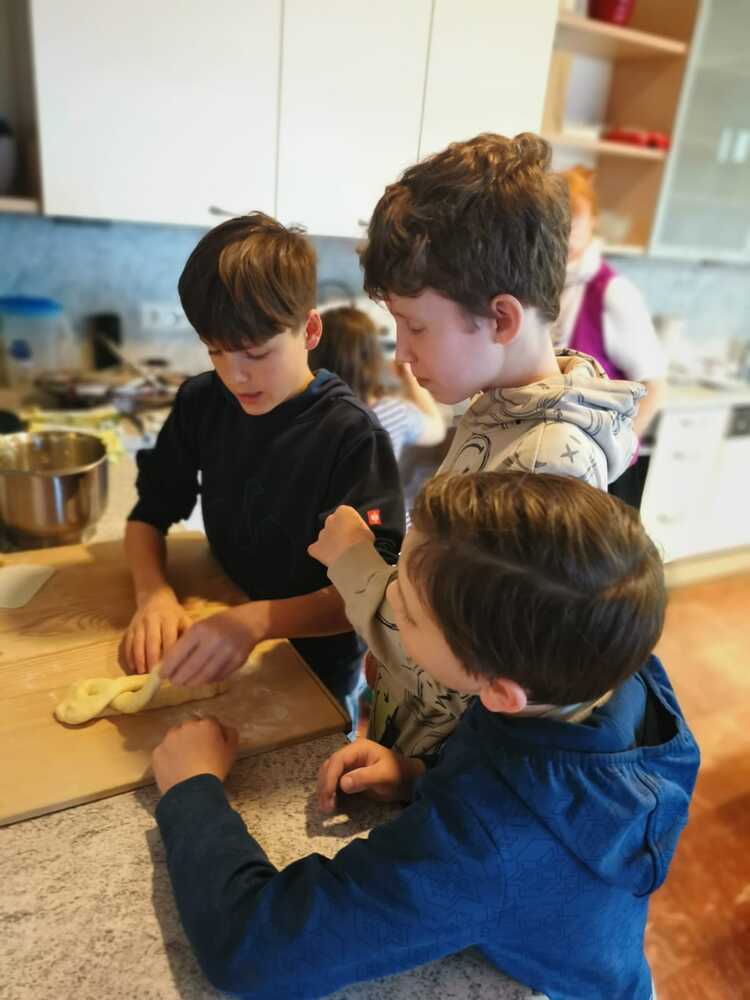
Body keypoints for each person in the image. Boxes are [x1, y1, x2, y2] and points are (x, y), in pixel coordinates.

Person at [152, 471, 699, 1000]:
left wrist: (192, 790)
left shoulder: (481, 844)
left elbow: (252, 950)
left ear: (499, 693)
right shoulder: (604, 677)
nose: (389, 598)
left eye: (407, 612)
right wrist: (419, 774)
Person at [347, 131, 645, 756]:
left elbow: (470, 671)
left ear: (503, 319)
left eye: (415, 326)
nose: (402, 354)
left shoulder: (546, 462)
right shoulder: (501, 402)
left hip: (449, 779)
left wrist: (355, 566)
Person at [121, 212, 405, 726]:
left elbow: (373, 592)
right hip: (224, 609)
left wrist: (256, 622)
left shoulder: (351, 436)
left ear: (310, 330)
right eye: (216, 352)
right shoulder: (201, 401)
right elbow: (149, 513)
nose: (236, 376)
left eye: (255, 353)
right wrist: (153, 594)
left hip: (315, 664)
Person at [553, 165, 667, 507]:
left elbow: (654, 385)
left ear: (593, 222)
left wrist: (617, 453)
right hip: (557, 462)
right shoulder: (545, 284)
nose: (565, 232)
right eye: (556, 221)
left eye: (574, 221)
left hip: (599, 469)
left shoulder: (613, 293)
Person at [310, 305, 446, 461]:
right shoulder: (390, 414)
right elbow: (438, 430)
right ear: (373, 358)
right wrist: (409, 377)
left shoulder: (305, 415)